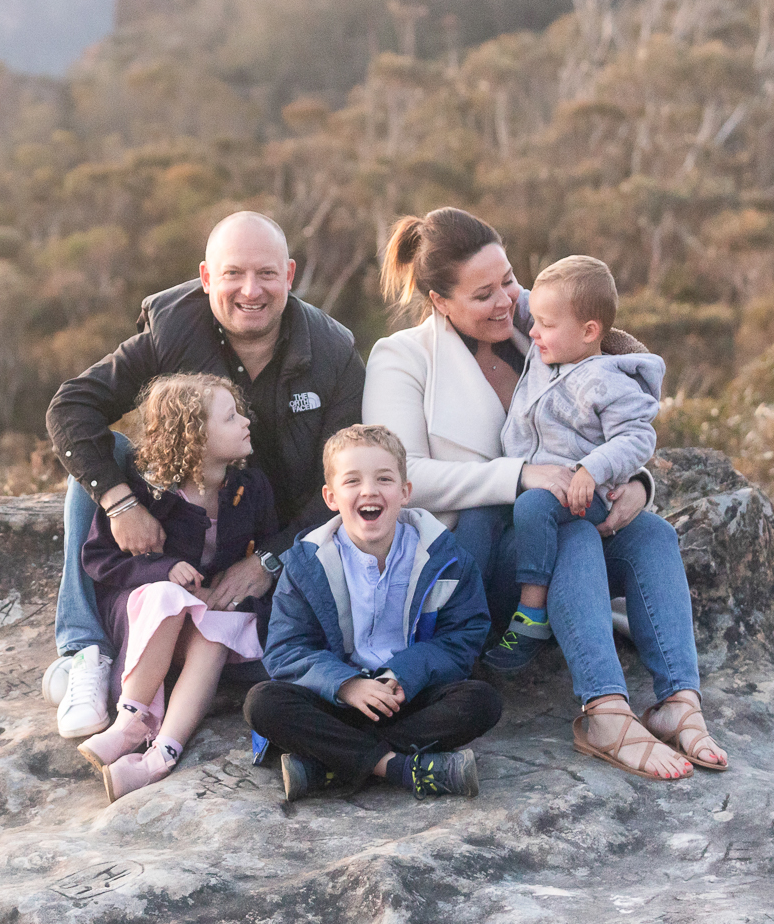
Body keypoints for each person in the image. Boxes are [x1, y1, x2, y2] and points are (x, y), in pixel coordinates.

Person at [362, 207, 729, 780]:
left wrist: (635, 482)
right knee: (574, 533)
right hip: (474, 559)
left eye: (508, 278)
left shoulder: (539, 318)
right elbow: (400, 479)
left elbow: (617, 407)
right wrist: (519, 475)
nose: (508, 299)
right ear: (439, 301)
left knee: (652, 534)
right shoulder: (402, 358)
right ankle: (604, 711)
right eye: (483, 293)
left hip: (557, 515)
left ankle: (679, 701)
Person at [42, 211, 366, 739]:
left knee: (262, 668)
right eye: (233, 274)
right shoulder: (172, 328)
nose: (250, 290)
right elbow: (70, 408)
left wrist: (269, 561)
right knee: (109, 458)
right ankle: (87, 653)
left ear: (288, 275)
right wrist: (123, 504)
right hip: (177, 536)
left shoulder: (334, 354)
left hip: (275, 540)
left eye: (265, 274)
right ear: (206, 276)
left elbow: (345, 482)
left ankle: (159, 682)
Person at [244, 424, 502, 802]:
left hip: (408, 696)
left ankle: (327, 766)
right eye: (352, 481)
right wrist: (346, 685)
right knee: (263, 703)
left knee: (482, 700)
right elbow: (286, 650)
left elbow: (463, 636)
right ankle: (397, 767)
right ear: (331, 497)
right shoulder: (305, 563)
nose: (369, 491)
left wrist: (405, 674)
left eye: (384, 478)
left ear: (405, 492)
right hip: (336, 701)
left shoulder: (446, 558)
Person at [77, 374, 276, 801]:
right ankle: (130, 722)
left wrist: (235, 594)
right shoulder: (143, 490)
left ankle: (161, 755)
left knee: (217, 632)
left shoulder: (252, 487)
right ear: (195, 437)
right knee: (169, 597)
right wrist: (163, 570)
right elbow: (98, 560)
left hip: (201, 621)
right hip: (146, 619)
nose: (245, 423)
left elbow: (266, 555)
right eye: (230, 417)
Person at [480, 255, 664, 674]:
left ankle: (532, 613)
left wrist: (592, 470)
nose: (532, 331)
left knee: (533, 506)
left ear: (589, 332)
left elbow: (638, 437)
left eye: (544, 325)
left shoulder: (608, 379)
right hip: (551, 489)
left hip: (587, 492)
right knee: (533, 507)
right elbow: (525, 299)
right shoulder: (553, 353)